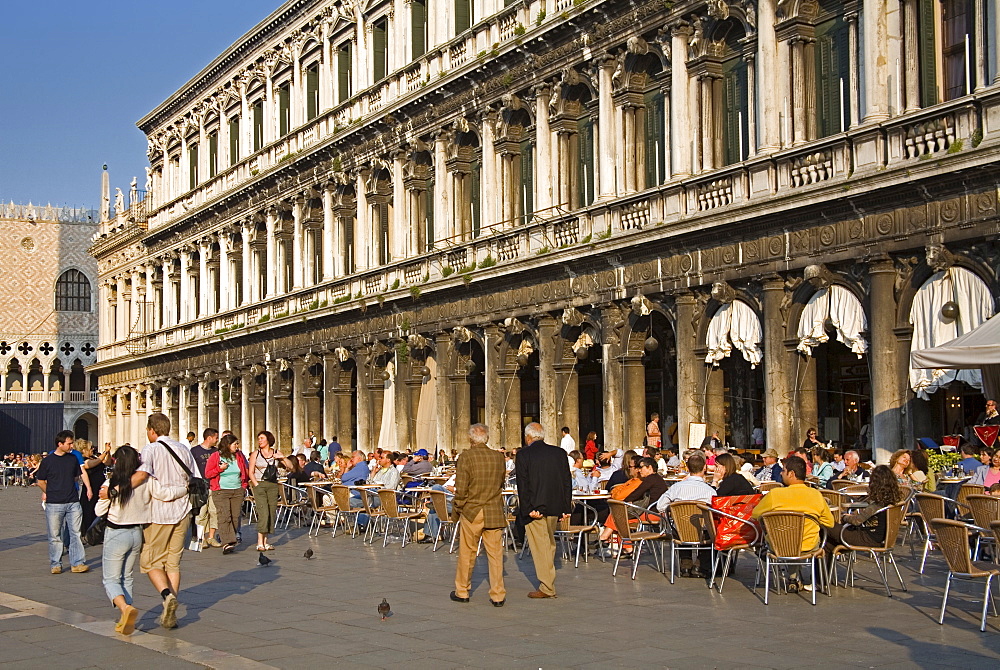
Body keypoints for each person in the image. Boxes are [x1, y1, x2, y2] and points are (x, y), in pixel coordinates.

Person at [96, 445, 182, 635]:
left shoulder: (112, 482)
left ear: (116, 462)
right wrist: (184, 488)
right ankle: (124, 618)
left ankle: (125, 609)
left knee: (110, 578)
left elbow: (98, 511)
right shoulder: (147, 481)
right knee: (127, 577)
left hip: (116, 532)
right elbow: (165, 494)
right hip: (136, 533)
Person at [130, 413, 198, 629]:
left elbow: (141, 476)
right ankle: (171, 606)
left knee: (150, 561)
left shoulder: (150, 449)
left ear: (152, 430)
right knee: (173, 562)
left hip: (159, 513)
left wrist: (118, 489)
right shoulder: (183, 449)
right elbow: (194, 477)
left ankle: (167, 596)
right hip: (183, 510)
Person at [751, 455, 835, 591]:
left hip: (779, 545)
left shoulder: (775, 495)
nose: (780, 473)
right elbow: (830, 523)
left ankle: (793, 577)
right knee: (802, 538)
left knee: (786, 536)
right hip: (808, 545)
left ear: (791, 474)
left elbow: (755, 514)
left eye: (783, 470)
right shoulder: (815, 495)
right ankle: (799, 578)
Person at [451, 424, 507, 606]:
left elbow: (461, 488)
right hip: (493, 509)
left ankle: (462, 591)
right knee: (496, 554)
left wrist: (458, 508)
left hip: (472, 510)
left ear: (470, 439)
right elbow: (500, 482)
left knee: (468, 552)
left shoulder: (466, 457)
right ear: (488, 438)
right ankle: (498, 594)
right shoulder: (499, 457)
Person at [516, 422, 573, 599]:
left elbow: (523, 485)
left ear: (528, 437)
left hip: (535, 509)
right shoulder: (559, 453)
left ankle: (547, 586)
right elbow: (566, 481)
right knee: (548, 543)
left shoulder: (524, 454)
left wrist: (527, 509)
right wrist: (565, 507)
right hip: (555, 507)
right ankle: (548, 580)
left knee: (541, 546)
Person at [655, 450, 717, 577]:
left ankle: (685, 566)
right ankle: (700, 566)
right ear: (704, 468)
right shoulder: (710, 491)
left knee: (681, 525)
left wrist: (673, 509)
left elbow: (660, 506)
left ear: (687, 468)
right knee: (708, 528)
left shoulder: (676, 488)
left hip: (681, 530)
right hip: (702, 531)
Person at [36, 430, 89, 575]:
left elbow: (76, 477)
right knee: (55, 535)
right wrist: (50, 491)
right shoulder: (47, 461)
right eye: (69, 443)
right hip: (54, 503)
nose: (71, 446)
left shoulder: (72, 459)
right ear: (60, 444)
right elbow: (40, 481)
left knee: (75, 533)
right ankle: (56, 564)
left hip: (72, 501)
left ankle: (77, 563)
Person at [827, 465, 903, 554]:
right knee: (829, 545)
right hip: (880, 538)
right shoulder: (892, 501)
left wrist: (844, 517)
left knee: (827, 525)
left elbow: (857, 521)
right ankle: (823, 566)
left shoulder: (878, 505)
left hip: (868, 539)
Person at [204, 434, 250, 555]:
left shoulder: (239, 456)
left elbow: (244, 470)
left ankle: (229, 538)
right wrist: (220, 469)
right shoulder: (216, 456)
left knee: (235, 516)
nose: (237, 446)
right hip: (221, 490)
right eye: (235, 444)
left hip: (237, 490)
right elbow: (208, 474)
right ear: (228, 445)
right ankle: (227, 543)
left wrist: (244, 485)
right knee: (224, 516)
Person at [248, 430, 293, 552]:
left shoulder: (276, 452)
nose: (260, 440)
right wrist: (256, 485)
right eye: (259, 438)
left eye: (262, 438)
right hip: (260, 484)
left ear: (268, 439)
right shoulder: (255, 454)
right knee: (263, 512)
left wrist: (282, 457)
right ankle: (259, 542)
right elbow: (250, 472)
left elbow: (291, 467)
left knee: (271, 512)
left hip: (273, 485)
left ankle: (266, 541)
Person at [190, 428, 220, 548]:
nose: (217, 440)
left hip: (214, 485)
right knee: (201, 514)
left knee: (214, 512)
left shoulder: (216, 451)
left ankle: (211, 537)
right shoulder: (194, 451)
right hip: (200, 486)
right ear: (209, 438)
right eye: (216, 438)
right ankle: (199, 539)